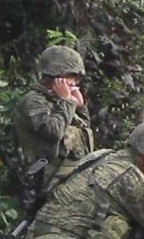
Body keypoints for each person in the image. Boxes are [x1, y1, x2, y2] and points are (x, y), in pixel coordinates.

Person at [13, 45, 95, 190]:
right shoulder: (33, 101)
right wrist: (67, 101)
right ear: (56, 76)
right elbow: (53, 131)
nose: (74, 83)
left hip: (71, 178)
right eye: (71, 76)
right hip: (47, 180)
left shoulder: (60, 101)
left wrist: (80, 106)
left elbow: (82, 130)